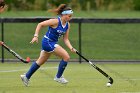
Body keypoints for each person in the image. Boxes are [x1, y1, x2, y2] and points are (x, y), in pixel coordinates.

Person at [20, 4, 76, 86]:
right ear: (63, 15)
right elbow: (40, 24)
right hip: (47, 42)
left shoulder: (67, 25)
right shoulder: (56, 21)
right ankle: (58, 77)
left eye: (71, 16)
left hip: (52, 43)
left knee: (40, 62)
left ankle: (26, 76)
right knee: (66, 56)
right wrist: (36, 36)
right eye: (69, 16)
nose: (70, 18)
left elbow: (65, 39)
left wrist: (71, 47)